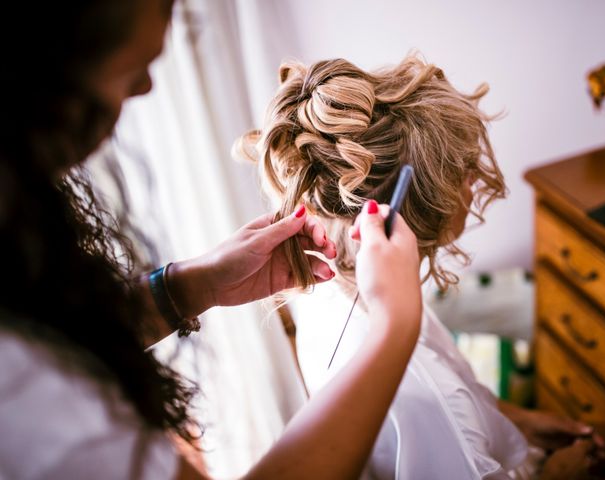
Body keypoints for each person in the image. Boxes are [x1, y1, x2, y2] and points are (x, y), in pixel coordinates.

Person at [0, 1, 425, 479]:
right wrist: (395, 324)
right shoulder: (23, 398)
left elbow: (64, 335)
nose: (146, 87)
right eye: (133, 68)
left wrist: (186, 287)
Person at [237, 54, 605, 479]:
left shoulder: (328, 281)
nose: (474, 180)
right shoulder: (425, 393)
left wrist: (517, 420)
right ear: (416, 205)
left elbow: (456, 391)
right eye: (462, 170)